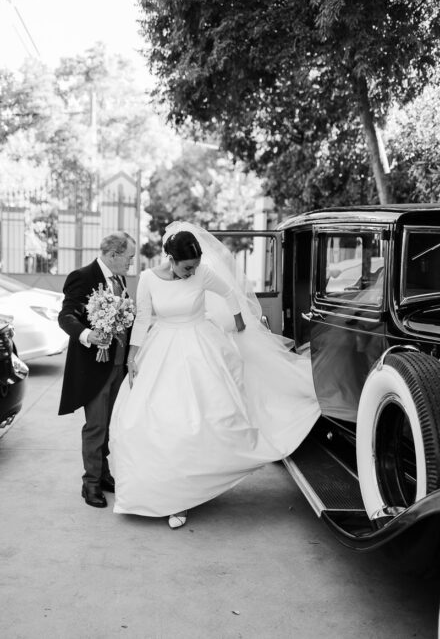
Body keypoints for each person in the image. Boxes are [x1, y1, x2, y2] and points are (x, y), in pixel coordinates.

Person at [109, 223, 320, 529]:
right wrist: (132, 356)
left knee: (199, 423)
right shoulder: (147, 279)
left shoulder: (203, 274)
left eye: (195, 267)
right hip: (161, 348)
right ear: (170, 257)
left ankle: (186, 495)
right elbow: (142, 319)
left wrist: (239, 322)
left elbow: (229, 293)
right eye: (186, 267)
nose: (191, 273)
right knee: (150, 422)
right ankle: (160, 494)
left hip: (200, 347)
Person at [58, 231, 136, 509]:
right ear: (113, 255)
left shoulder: (120, 280)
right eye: (129, 258)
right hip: (94, 368)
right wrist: (87, 335)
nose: (131, 264)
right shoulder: (82, 276)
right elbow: (66, 315)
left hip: (117, 366)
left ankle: (103, 474)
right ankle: (90, 483)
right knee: (96, 426)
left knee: (109, 425)